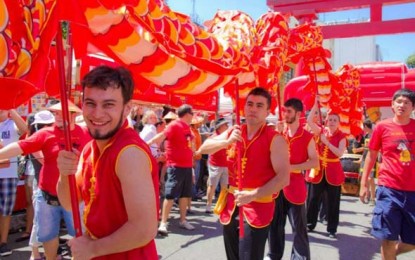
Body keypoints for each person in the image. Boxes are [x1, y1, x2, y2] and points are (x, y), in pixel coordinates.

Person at [57, 65, 159, 259]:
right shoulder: (90, 149)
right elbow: (69, 203)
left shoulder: (129, 153)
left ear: (127, 108)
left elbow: (144, 229)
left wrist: (92, 249)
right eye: (90, 103)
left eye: (108, 105)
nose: (97, 114)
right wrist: (64, 173)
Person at [198, 87, 290, 260]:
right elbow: (203, 148)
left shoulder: (274, 138)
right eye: (250, 104)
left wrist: (253, 194)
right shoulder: (234, 131)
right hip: (231, 205)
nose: (253, 109)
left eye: (259, 105)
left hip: (257, 207)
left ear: (267, 111)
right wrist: (226, 141)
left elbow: (283, 178)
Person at [0, 102, 90, 259]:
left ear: (73, 115)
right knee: (48, 236)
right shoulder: (45, 133)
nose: (57, 117)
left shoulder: (86, 134)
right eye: (55, 113)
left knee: (81, 236)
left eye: (62, 113)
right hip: (47, 196)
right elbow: (20, 146)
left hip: (76, 197)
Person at [360, 88, 415, 260]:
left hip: (413, 191)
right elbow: (371, 155)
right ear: (392, 105)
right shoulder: (382, 127)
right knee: (388, 239)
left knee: (411, 241)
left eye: (407, 102)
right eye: (399, 101)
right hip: (388, 189)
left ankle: (389, 255)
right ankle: (388, 254)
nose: (402, 105)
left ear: (413, 107)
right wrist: (363, 184)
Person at [267, 98, 319, 260]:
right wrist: (276, 135)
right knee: (274, 225)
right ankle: (274, 254)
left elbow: (314, 161)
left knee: (298, 227)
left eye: (288, 111)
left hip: (295, 186)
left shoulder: (307, 136)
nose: (285, 114)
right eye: (284, 110)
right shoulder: (279, 134)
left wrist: (291, 167)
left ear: (298, 113)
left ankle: (300, 257)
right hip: (277, 187)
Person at [148, 104, 196, 235]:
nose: (193, 116)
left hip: (186, 166)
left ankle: (183, 220)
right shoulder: (174, 125)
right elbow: (161, 136)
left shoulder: (187, 127)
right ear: (187, 114)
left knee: (185, 194)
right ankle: (163, 223)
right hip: (175, 165)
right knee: (170, 194)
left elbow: (190, 145)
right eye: (192, 113)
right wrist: (146, 144)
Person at [306, 98, 347, 239]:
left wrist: (326, 143)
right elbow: (309, 121)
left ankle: (332, 228)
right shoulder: (321, 130)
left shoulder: (341, 136)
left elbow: (340, 153)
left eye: (335, 120)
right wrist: (315, 105)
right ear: (326, 120)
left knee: (332, 202)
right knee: (312, 199)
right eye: (330, 119)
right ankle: (309, 224)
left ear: (338, 122)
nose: (332, 122)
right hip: (318, 170)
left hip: (333, 171)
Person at [0, 109, 28, 256]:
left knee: (6, 210)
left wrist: (12, 109)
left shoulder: (12, 124)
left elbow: (25, 130)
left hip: (8, 175)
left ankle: (3, 242)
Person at [202, 117, 229, 214]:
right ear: (221, 126)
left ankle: (222, 204)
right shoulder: (213, 137)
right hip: (215, 164)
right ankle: (208, 205)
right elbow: (209, 150)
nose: (227, 126)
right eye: (226, 125)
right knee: (212, 185)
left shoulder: (227, 136)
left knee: (224, 186)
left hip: (225, 164)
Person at [353, 119, 376, 205]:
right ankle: (367, 194)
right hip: (365, 158)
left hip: (372, 158)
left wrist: (360, 149)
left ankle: (373, 198)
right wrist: (361, 157)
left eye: (363, 127)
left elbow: (372, 148)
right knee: (364, 177)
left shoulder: (374, 134)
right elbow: (365, 149)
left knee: (370, 178)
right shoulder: (366, 136)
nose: (363, 129)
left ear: (366, 126)